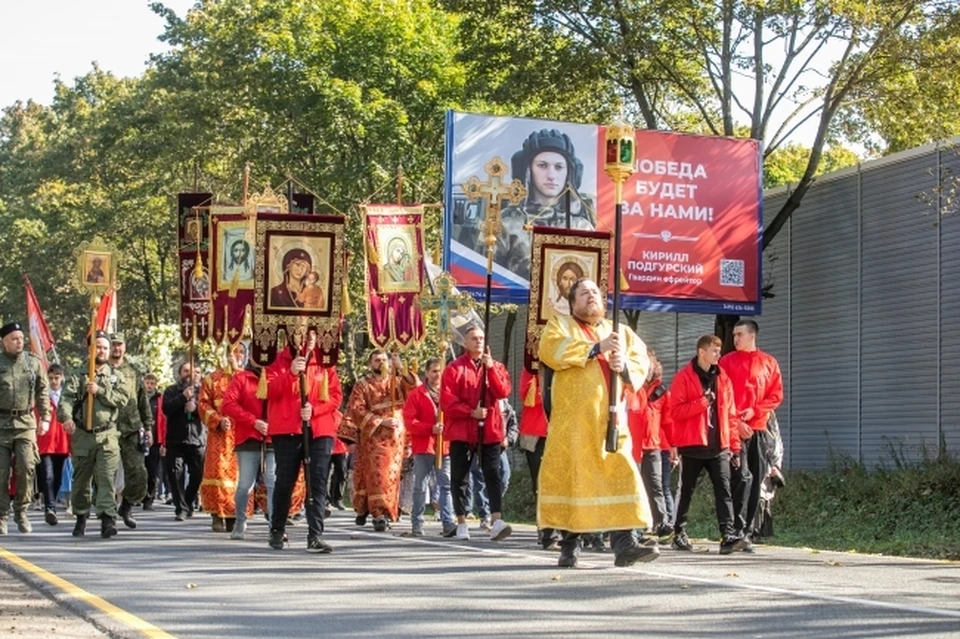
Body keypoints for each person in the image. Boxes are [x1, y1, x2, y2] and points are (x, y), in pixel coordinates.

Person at [537, 278, 658, 568]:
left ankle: (626, 544)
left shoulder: (620, 331)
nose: (591, 296)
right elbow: (551, 350)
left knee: (622, 475)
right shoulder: (559, 325)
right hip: (574, 425)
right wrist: (597, 348)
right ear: (573, 301)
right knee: (575, 481)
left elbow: (641, 361)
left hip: (612, 421)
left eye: (595, 292)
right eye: (584, 292)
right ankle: (570, 545)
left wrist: (624, 367)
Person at [668, 334, 747, 554]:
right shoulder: (684, 377)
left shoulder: (723, 378)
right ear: (701, 352)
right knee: (687, 491)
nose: (718, 355)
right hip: (693, 444)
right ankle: (679, 532)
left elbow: (730, 415)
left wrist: (735, 446)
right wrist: (703, 402)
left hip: (718, 446)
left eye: (719, 351)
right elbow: (675, 411)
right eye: (714, 350)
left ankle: (728, 535)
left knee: (724, 490)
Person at [266, 330, 342, 553]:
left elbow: (336, 396)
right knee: (285, 481)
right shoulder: (277, 360)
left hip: (319, 430)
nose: (308, 341)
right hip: (288, 429)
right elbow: (268, 391)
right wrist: (289, 373)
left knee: (317, 481)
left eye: (311, 336)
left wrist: (315, 409)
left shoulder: (325, 362)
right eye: (302, 336)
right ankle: (277, 528)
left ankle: (315, 534)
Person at [440, 326, 513, 542]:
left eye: (482, 338)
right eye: (474, 338)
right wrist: (470, 412)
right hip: (463, 429)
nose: (479, 341)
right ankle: (461, 520)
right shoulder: (454, 369)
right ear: (466, 342)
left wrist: (490, 369)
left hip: (490, 427)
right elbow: (447, 401)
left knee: (492, 471)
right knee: (460, 475)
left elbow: (503, 392)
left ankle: (497, 519)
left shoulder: (496, 366)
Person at [719, 319, 784, 549]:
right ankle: (733, 529)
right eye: (734, 335)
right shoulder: (725, 362)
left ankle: (746, 532)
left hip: (758, 430)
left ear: (752, 336)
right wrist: (735, 421)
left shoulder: (769, 363)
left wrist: (755, 411)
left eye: (739, 334)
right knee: (738, 480)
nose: (735, 339)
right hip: (733, 431)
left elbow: (775, 396)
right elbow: (720, 397)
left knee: (755, 480)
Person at [497, 129, 595, 280]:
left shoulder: (582, 227)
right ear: (528, 170)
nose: (551, 175)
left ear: (569, 173)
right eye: (542, 165)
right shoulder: (507, 222)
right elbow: (485, 275)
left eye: (559, 167)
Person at [59, 331, 128, 538]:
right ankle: (80, 516)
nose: (102, 351)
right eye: (98, 346)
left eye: (105, 347)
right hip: (83, 436)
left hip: (107, 435)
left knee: (106, 478)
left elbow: (123, 399)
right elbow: (66, 399)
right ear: (90, 349)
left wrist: (100, 390)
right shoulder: (78, 374)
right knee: (81, 480)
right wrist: (67, 418)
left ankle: (108, 519)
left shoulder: (116, 376)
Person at [341, 351, 418, 532]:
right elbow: (356, 408)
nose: (381, 363)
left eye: (384, 360)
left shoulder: (397, 382)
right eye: (377, 360)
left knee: (392, 476)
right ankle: (379, 514)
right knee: (379, 475)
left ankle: (388, 510)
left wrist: (400, 367)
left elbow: (416, 388)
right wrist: (380, 421)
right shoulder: (363, 384)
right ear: (370, 364)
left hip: (396, 437)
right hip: (374, 436)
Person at [0, 322, 50, 535]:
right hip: (1, 424)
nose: (19, 341)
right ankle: (2, 514)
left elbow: (43, 390)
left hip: (25, 424)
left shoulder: (33, 362)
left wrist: (45, 416)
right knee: (1, 473)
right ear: (4, 342)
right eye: (14, 338)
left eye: (21, 338)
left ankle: (21, 510)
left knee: (26, 467)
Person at [222, 349, 276, 541]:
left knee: (273, 480)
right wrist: (253, 421)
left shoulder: (276, 376)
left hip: (273, 436)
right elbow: (228, 404)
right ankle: (240, 520)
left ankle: (275, 525)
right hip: (248, 436)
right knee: (246, 484)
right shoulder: (241, 379)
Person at [402, 357, 455, 537]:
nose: (437, 375)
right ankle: (417, 523)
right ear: (426, 373)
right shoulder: (417, 394)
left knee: (446, 485)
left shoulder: (449, 393)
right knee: (420, 486)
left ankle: (448, 522)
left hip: (444, 446)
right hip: (424, 446)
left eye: (440, 371)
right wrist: (430, 428)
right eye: (434, 371)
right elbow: (409, 422)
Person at [198, 342, 246, 533]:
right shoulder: (212, 379)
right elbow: (203, 404)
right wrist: (218, 420)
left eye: (241, 352)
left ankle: (235, 515)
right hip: (219, 436)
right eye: (234, 352)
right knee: (217, 473)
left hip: (240, 434)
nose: (237, 356)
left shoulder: (247, 378)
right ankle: (216, 514)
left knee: (240, 476)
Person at [625, 348, 673, 538]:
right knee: (635, 486)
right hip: (632, 444)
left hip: (653, 444)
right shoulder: (629, 388)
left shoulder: (661, 391)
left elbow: (668, 421)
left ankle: (662, 523)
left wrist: (672, 445)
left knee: (656, 484)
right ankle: (634, 525)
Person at [108, 333, 153, 530]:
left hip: (130, 430)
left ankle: (126, 506)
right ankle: (107, 514)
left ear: (124, 347)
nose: (116, 348)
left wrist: (148, 427)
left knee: (139, 473)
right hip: (107, 428)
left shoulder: (133, 372)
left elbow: (143, 402)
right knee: (105, 474)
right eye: (113, 345)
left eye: (119, 345)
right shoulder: (99, 369)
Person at [518, 367, 559, 550]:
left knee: (558, 483)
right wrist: (540, 377)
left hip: (557, 432)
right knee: (540, 484)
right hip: (536, 434)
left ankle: (560, 526)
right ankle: (545, 528)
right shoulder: (530, 370)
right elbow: (528, 397)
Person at [161, 361, 205, 521]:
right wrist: (182, 398)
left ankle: (188, 501)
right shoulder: (172, 390)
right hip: (176, 439)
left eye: (193, 371)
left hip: (197, 439)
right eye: (185, 371)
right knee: (175, 473)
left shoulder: (203, 392)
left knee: (197, 474)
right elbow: (166, 408)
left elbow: (209, 410)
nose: (189, 374)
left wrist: (196, 407)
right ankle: (181, 508)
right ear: (180, 373)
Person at [36, 363, 69, 525]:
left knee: (57, 477)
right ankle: (50, 507)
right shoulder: (42, 397)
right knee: (47, 475)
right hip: (45, 442)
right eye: (51, 378)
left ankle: (53, 502)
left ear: (62, 378)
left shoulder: (67, 396)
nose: (54, 381)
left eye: (56, 378)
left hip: (62, 442)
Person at [142, 373, 164, 510]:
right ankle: (139, 495)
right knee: (139, 469)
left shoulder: (159, 399)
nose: (149, 386)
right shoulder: (139, 397)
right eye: (147, 383)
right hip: (139, 437)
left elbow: (164, 420)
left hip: (155, 439)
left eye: (152, 383)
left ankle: (149, 498)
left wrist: (163, 442)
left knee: (152, 470)